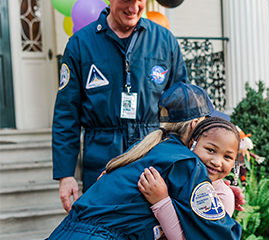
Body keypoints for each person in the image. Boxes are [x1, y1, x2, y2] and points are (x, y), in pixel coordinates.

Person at [42, 82, 241, 240]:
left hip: (62, 237)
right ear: (195, 124)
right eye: (209, 123)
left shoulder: (145, 148)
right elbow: (222, 239)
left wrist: (217, 188)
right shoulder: (186, 163)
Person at [52, 0, 189, 212]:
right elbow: (66, 114)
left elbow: (183, 110)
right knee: (102, 233)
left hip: (151, 157)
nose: (133, 9)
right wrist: (66, 175)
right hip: (101, 158)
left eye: (139, 1)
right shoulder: (80, 43)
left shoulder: (164, 41)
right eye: (126, 0)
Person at [138, 117, 241, 240]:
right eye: (210, 150)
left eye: (227, 157)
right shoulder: (179, 175)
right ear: (192, 144)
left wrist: (161, 201)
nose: (217, 162)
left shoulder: (222, 196)